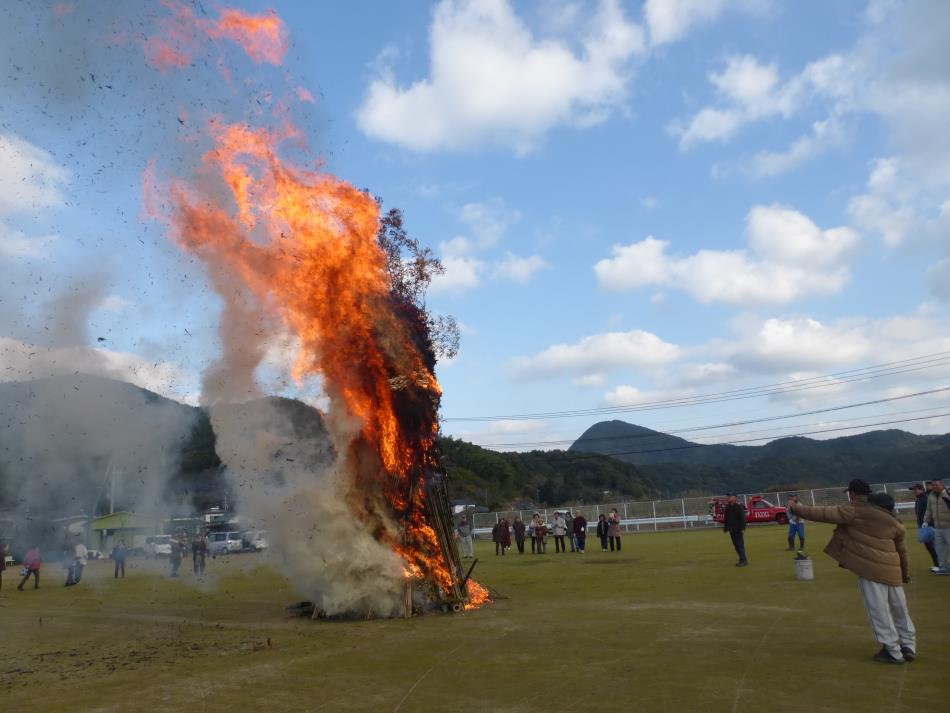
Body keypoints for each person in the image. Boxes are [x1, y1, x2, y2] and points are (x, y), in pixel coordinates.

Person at [791, 480, 916, 664]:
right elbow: (902, 552)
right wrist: (904, 574)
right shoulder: (894, 521)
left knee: (878, 611)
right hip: (893, 571)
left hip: (870, 569)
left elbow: (822, 513)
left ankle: (892, 651)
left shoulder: (856, 510)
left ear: (853, 493)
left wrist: (796, 507)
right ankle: (909, 645)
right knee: (900, 610)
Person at [911, 483, 940, 571]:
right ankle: (937, 564)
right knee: (929, 546)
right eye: (913, 490)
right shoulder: (918, 499)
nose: (914, 491)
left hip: (929, 525)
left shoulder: (925, 498)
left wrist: (928, 522)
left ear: (921, 489)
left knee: (932, 545)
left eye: (915, 489)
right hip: (923, 526)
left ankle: (939, 565)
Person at [924, 478, 950, 574]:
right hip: (937, 527)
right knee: (939, 549)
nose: (935, 487)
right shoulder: (931, 496)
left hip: (949, 526)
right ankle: (944, 568)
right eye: (933, 485)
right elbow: (928, 510)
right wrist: (925, 521)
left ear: (942, 485)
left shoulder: (948, 493)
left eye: (937, 485)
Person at [722, 494, 748, 566]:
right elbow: (726, 519)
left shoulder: (738, 507)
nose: (728, 498)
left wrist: (743, 528)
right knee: (736, 545)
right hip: (731, 530)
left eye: (730, 497)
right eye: (727, 497)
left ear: (734, 498)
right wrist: (725, 528)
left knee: (740, 545)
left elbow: (743, 518)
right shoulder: (727, 507)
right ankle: (742, 559)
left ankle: (744, 561)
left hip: (738, 529)